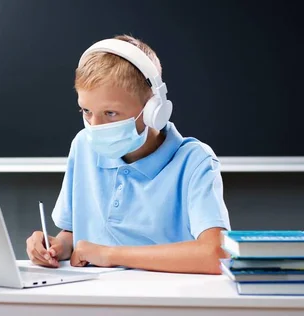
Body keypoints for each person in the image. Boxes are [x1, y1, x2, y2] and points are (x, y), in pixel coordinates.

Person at [26, 34, 231, 274]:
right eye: (86, 110)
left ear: (155, 110)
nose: (95, 126)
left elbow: (216, 254)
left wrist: (109, 255)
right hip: (95, 299)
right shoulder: (83, 145)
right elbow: (76, 235)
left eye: (111, 113)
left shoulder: (194, 161)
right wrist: (57, 246)